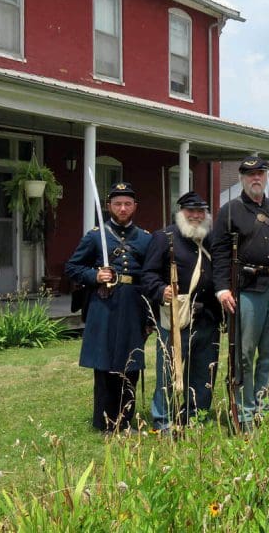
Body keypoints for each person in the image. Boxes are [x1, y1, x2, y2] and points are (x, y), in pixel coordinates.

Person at [211, 156, 269, 427]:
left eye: (260, 173)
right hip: (246, 290)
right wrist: (222, 288)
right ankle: (243, 413)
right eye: (250, 174)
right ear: (242, 179)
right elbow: (220, 252)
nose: (255, 178)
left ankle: (263, 410)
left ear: (267, 177)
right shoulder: (230, 211)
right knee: (244, 354)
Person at [65, 182, 152, 434]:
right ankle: (105, 422)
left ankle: (125, 420)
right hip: (104, 304)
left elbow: (150, 276)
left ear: (135, 206)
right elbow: (72, 268)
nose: (122, 208)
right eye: (117, 204)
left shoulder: (145, 238)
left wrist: (149, 314)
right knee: (104, 364)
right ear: (109, 206)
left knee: (130, 363)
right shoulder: (95, 236)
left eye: (127, 204)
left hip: (133, 306)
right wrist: (95, 275)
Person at [142, 191, 221, 433]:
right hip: (176, 317)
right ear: (181, 212)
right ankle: (163, 419)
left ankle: (195, 417)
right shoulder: (164, 237)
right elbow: (148, 275)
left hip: (207, 316)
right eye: (191, 211)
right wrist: (160, 290)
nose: (196, 216)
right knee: (168, 371)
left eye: (201, 211)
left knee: (203, 371)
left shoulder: (211, 239)